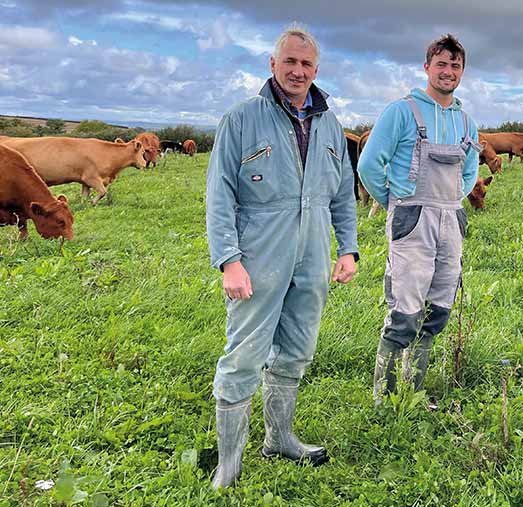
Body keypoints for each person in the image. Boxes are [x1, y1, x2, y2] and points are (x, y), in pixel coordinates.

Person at [205, 23, 358, 489]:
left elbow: (342, 195)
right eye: (289, 61)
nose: (297, 70)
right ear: (272, 65)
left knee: (297, 348)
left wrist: (347, 246)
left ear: (316, 70)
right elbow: (219, 195)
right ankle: (229, 464)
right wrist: (229, 259)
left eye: (306, 63)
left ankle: (280, 438)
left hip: (312, 253)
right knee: (245, 354)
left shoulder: (330, 122)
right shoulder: (242, 118)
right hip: (258, 254)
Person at [358, 34, 480, 406]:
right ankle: (386, 397)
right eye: (441, 64)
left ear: (462, 72)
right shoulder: (402, 111)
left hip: (450, 220)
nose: (448, 72)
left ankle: (414, 390)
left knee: (438, 308)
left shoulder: (465, 120)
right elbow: (368, 165)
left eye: (455, 65)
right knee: (405, 310)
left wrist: (452, 201)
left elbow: (471, 170)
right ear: (427, 67)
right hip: (412, 219)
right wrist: (398, 202)